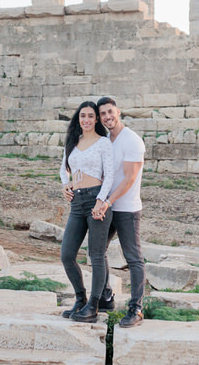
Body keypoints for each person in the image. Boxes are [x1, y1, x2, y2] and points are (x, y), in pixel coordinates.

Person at [92, 96, 146, 328]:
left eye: (110, 112)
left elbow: (129, 177)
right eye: (102, 114)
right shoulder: (105, 140)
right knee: (98, 251)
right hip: (107, 205)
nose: (107, 117)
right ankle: (105, 296)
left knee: (133, 257)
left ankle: (136, 308)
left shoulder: (131, 140)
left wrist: (107, 201)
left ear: (118, 112)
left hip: (126, 208)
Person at [59, 100, 115, 323]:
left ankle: (94, 304)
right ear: (78, 119)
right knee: (67, 255)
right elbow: (64, 168)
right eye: (83, 116)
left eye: (91, 116)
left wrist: (101, 201)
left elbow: (109, 175)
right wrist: (65, 184)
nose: (86, 120)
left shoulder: (103, 143)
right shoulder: (73, 141)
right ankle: (80, 299)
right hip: (77, 202)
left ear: (96, 119)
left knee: (96, 255)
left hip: (96, 199)